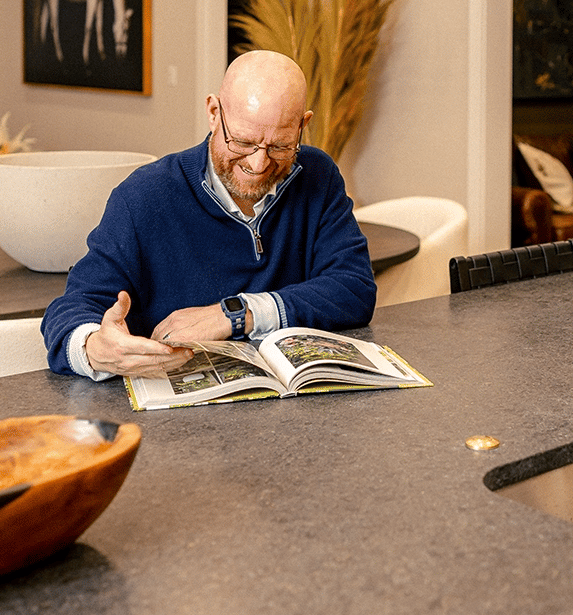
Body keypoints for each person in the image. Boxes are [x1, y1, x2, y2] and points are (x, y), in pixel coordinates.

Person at [41, 50, 376, 379]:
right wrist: (94, 348)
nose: (258, 165)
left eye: (280, 146)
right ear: (214, 112)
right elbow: (73, 306)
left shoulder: (317, 175)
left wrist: (236, 313)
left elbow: (354, 288)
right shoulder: (144, 195)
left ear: (303, 125)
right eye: (243, 142)